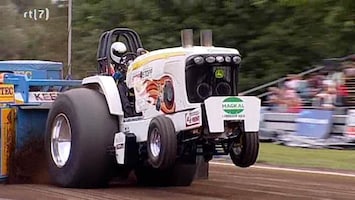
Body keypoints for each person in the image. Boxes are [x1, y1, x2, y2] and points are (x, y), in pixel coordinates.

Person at [110, 42, 134, 117]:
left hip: (131, 82)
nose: (121, 55)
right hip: (118, 86)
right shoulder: (110, 65)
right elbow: (111, 80)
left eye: (123, 53)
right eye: (119, 53)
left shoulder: (128, 62)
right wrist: (117, 74)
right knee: (121, 88)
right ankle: (128, 112)